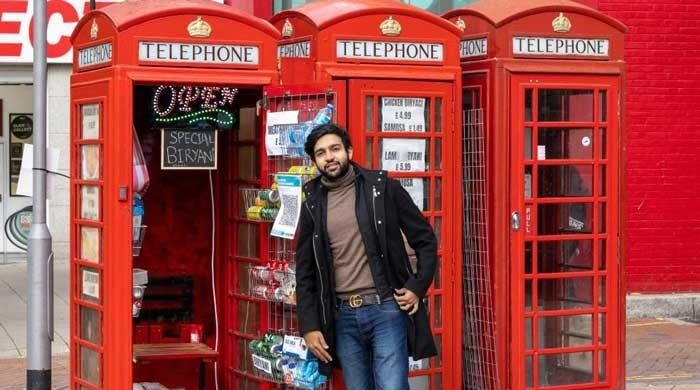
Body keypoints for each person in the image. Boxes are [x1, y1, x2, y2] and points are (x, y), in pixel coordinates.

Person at [295, 123, 438, 389]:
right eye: (321, 153)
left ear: (348, 151)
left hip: (385, 309)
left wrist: (417, 287)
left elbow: (425, 239)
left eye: (335, 149)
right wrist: (309, 326)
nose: (329, 157)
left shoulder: (382, 188)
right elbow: (305, 270)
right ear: (315, 161)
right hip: (342, 315)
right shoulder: (312, 202)